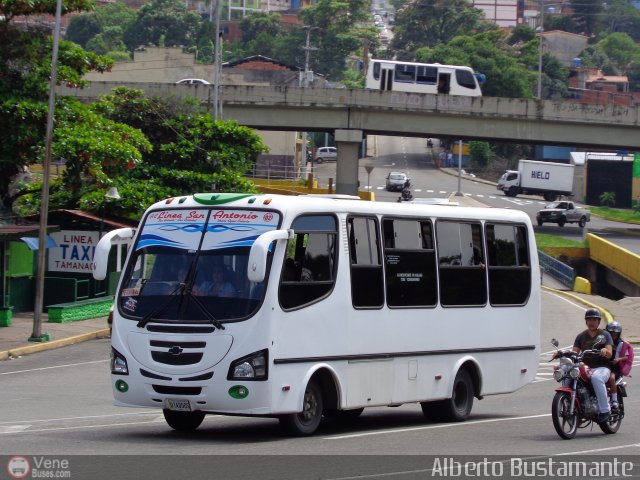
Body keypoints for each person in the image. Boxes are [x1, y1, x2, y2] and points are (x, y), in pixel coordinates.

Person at [572, 308, 614, 423]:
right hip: (586, 367)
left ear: (599, 321)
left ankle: (605, 410)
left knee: (596, 378)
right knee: (570, 374)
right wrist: (561, 355)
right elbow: (574, 353)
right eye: (589, 319)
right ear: (586, 321)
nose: (592, 322)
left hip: (602, 367)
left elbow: (610, 353)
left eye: (594, 319)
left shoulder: (605, 334)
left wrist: (605, 350)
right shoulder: (581, 336)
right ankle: (574, 407)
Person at [606, 321, 634, 410]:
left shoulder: (621, 344)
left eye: (616, 333)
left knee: (611, 378)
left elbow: (626, 357)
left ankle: (614, 400)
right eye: (611, 333)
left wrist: (618, 359)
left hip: (615, 367)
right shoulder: (603, 341)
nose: (614, 335)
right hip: (603, 365)